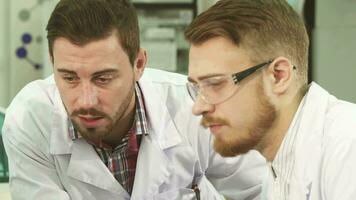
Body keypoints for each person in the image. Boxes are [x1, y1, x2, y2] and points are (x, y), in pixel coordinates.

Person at [2, 0, 266, 199]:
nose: (85, 100)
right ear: (52, 63)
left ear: (138, 63)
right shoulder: (30, 119)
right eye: (69, 77)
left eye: (103, 78)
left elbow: (264, 190)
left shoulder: (193, 106)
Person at [185, 0, 356, 199]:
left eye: (215, 84)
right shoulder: (279, 164)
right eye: (196, 87)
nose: (198, 107)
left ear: (278, 76)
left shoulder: (347, 147)